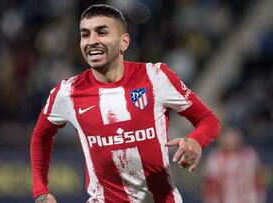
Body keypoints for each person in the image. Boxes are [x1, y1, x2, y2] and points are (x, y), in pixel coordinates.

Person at [30, 4, 221, 203]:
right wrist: (41, 191)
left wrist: (196, 140)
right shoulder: (67, 92)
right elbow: (41, 135)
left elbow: (208, 120)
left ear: (124, 42)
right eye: (85, 35)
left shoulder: (155, 77)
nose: (91, 41)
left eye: (101, 33)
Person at [203, 127, 267, 203]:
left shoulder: (249, 154)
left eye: (233, 137)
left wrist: (259, 197)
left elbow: (259, 179)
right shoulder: (215, 157)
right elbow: (211, 184)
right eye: (228, 138)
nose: (231, 141)